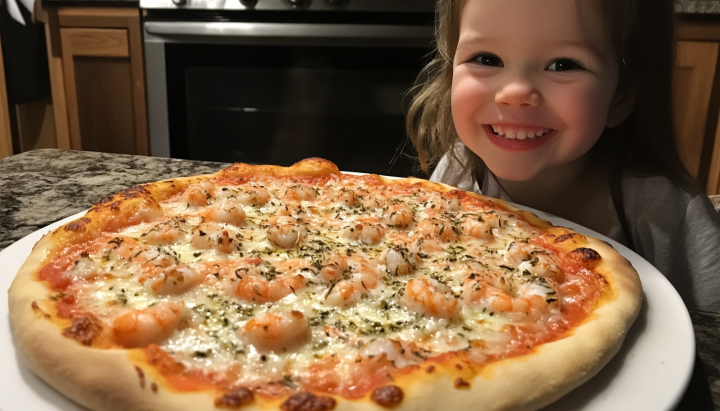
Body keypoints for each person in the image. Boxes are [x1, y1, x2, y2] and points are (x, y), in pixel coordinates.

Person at [405, 0, 720, 312]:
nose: (513, 93)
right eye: (486, 58)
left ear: (620, 96)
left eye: (563, 65)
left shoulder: (670, 216)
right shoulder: (456, 171)